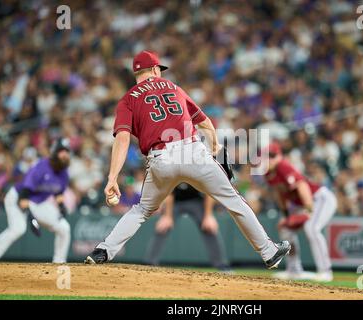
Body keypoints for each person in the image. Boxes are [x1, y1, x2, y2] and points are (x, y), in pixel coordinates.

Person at [84, 50, 290, 269]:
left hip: (160, 159)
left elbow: (122, 139)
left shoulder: (127, 100)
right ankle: (269, 252)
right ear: (155, 69)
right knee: (234, 200)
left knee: (142, 210)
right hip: (191, 151)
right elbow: (205, 123)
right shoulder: (174, 88)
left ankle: (103, 251)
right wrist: (215, 148)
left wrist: (112, 178)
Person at [262, 142, 337, 282]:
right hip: (301, 204)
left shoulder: (283, 166)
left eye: (272, 156)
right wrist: (285, 215)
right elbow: (280, 193)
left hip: (319, 199)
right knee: (285, 229)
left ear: (280, 156)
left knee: (312, 228)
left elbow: (302, 185)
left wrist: (308, 210)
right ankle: (294, 270)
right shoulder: (268, 173)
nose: (269, 159)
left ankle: (326, 271)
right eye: (267, 156)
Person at [0, 139, 71, 263]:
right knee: (18, 229)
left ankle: (59, 262)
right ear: (54, 152)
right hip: (17, 197)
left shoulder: (64, 171)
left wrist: (61, 206)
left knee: (64, 227)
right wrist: (30, 217)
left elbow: (58, 192)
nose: (65, 154)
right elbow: (24, 193)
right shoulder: (41, 166)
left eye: (67, 151)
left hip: (38, 202)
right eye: (62, 151)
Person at [144, 183, 231, 272]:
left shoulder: (199, 171)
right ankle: (150, 263)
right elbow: (169, 193)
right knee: (162, 227)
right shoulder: (175, 171)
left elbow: (209, 192)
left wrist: (208, 215)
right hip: (175, 202)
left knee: (210, 228)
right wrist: (167, 216)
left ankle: (222, 265)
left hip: (196, 201)